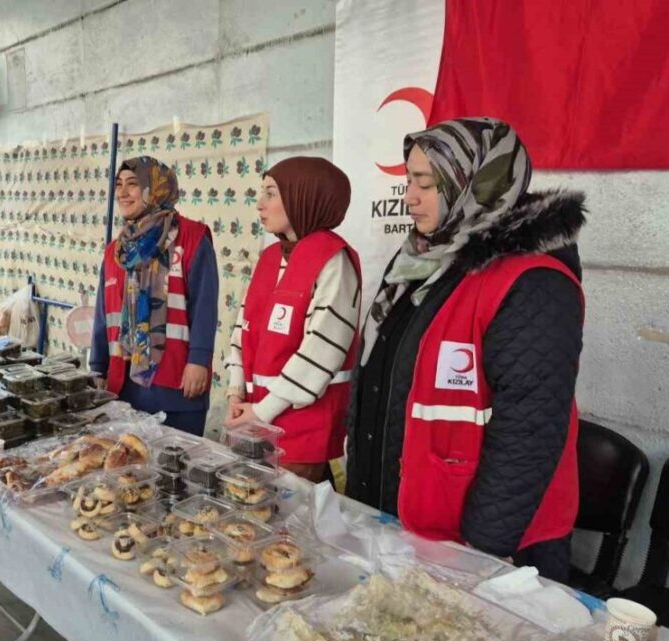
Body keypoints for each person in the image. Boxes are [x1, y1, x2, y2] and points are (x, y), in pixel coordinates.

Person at [345, 117, 586, 582]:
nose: (409, 196)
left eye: (425, 183)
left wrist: (480, 556)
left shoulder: (534, 282)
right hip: (406, 529)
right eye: (408, 181)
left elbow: (529, 432)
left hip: (486, 553)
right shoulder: (420, 262)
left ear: (475, 182)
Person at [224, 157, 361, 482]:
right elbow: (242, 329)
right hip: (255, 420)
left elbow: (320, 352)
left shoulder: (332, 261)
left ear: (304, 195)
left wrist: (260, 412)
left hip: (301, 432)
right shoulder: (271, 257)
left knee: (287, 522)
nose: (260, 204)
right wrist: (235, 390)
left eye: (271, 193)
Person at [90, 156, 218, 436]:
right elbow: (104, 313)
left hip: (176, 383)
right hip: (123, 386)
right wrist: (97, 367)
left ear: (156, 188)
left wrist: (199, 360)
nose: (122, 193)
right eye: (118, 185)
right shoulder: (116, 251)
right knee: (130, 471)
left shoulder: (193, 238)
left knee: (176, 473)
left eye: (133, 184)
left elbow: (204, 306)